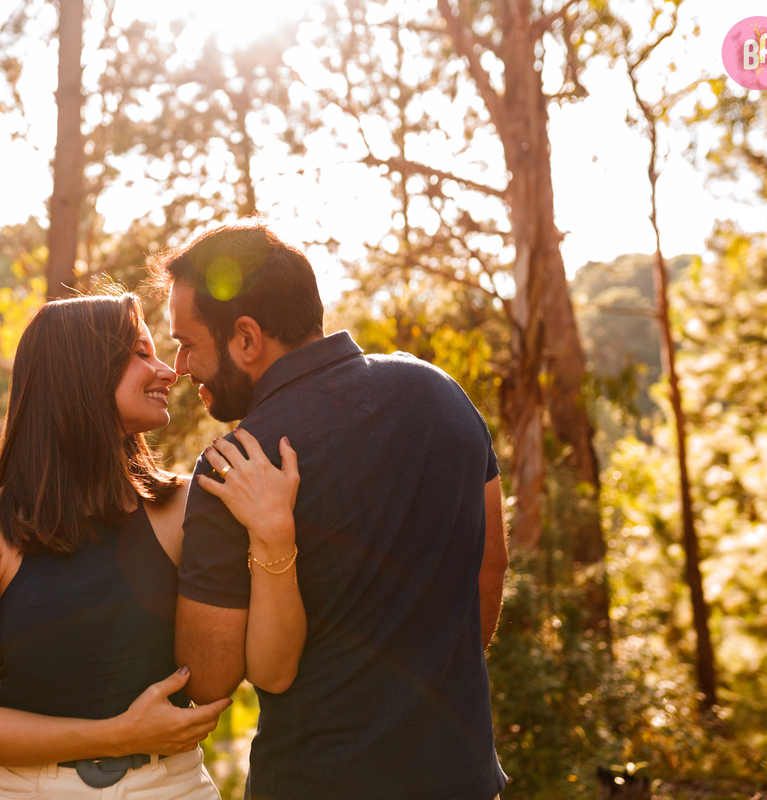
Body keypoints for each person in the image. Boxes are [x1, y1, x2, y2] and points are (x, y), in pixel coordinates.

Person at [148, 219, 510, 800]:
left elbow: (208, 678)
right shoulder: (440, 393)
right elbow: (488, 566)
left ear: (246, 338)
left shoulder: (236, 467)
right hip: (459, 775)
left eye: (187, 343)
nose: (182, 367)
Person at [0, 292, 305, 799]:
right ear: (82, 371)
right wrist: (117, 734)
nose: (169, 372)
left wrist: (275, 534)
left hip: (173, 787)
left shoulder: (188, 506)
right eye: (142, 353)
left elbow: (273, 670)